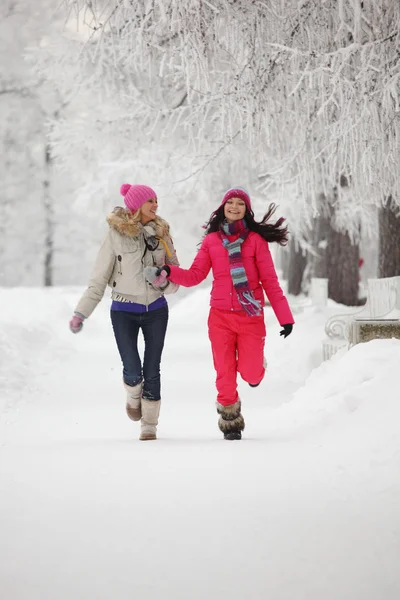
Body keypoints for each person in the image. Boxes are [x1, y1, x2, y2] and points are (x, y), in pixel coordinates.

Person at [144, 187, 294, 441]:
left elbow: (270, 282)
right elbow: (195, 275)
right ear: (223, 207)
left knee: (251, 373)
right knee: (224, 374)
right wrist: (169, 271)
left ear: (246, 210)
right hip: (220, 317)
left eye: (240, 204)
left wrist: (286, 318)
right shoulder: (212, 240)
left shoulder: (256, 241)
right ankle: (230, 420)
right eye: (230, 203)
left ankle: (256, 366)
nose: (234, 207)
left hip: (250, 316)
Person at [69, 183, 180, 441]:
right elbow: (98, 279)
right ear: (136, 205)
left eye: (156, 200)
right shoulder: (115, 234)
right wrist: (81, 313)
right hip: (123, 311)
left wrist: (163, 281)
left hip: (156, 310)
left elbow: (177, 277)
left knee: (152, 368)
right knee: (133, 369)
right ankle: (133, 393)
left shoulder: (162, 233)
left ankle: (149, 425)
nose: (156, 205)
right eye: (150, 200)